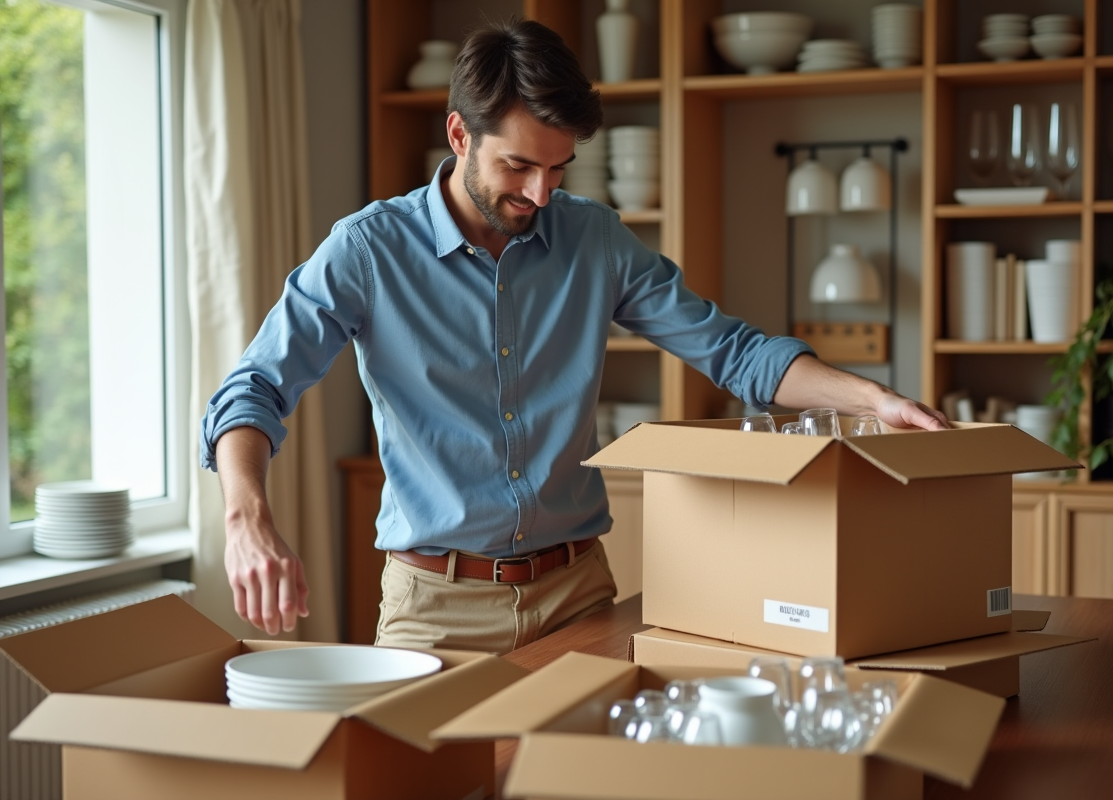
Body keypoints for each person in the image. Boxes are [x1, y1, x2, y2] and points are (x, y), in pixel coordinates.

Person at [200, 18, 947, 654]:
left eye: (558, 169)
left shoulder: (595, 239)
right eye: (518, 165)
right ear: (459, 134)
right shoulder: (367, 251)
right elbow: (255, 388)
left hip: (576, 594)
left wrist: (873, 401)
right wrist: (246, 517)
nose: (539, 193)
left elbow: (733, 352)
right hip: (434, 608)